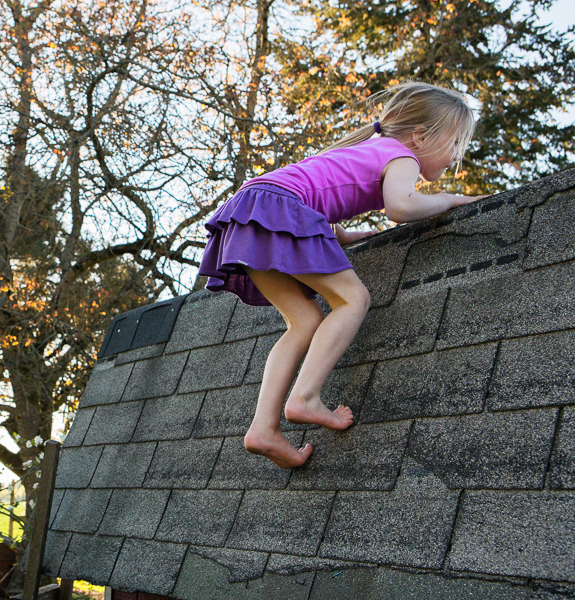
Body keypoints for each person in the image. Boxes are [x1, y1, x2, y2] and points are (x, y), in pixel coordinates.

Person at [198, 82, 488, 468]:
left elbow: (315, 193)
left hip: (252, 208)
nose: (456, 157)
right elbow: (400, 206)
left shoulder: (366, 151)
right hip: (275, 207)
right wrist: (452, 200)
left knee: (303, 320)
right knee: (353, 299)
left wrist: (342, 236)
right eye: (454, 144)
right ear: (420, 137)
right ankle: (304, 398)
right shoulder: (402, 156)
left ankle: (263, 429)